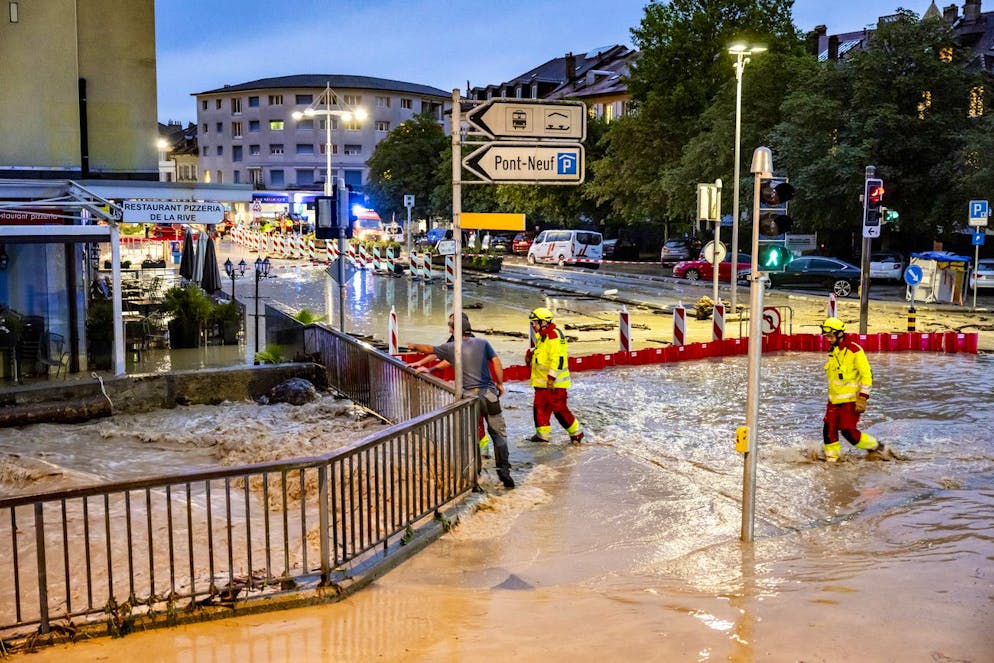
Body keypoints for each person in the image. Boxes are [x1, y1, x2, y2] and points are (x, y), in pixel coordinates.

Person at [408, 313, 514, 488]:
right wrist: (500, 384)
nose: (449, 330)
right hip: (489, 394)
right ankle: (504, 472)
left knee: (470, 436)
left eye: (451, 328)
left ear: (455, 330)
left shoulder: (452, 347)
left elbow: (430, 349)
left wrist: (413, 346)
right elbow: (496, 362)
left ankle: (474, 476)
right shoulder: (483, 343)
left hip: (469, 399)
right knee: (499, 435)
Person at [820, 317, 888, 462]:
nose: (828, 339)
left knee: (848, 432)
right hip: (833, 400)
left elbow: (867, 376)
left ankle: (877, 447)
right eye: (826, 337)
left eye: (830, 336)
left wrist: (863, 397)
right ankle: (832, 461)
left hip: (851, 401)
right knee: (828, 431)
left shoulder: (855, 351)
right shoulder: (833, 351)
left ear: (840, 334)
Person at [526, 307, 583, 443]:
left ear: (543, 322)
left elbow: (558, 359)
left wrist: (551, 378)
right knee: (539, 409)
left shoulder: (554, 336)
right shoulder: (543, 336)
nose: (532, 325)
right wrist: (531, 354)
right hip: (541, 384)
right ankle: (542, 436)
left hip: (554, 384)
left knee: (559, 411)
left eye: (534, 322)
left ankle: (576, 433)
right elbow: (544, 354)